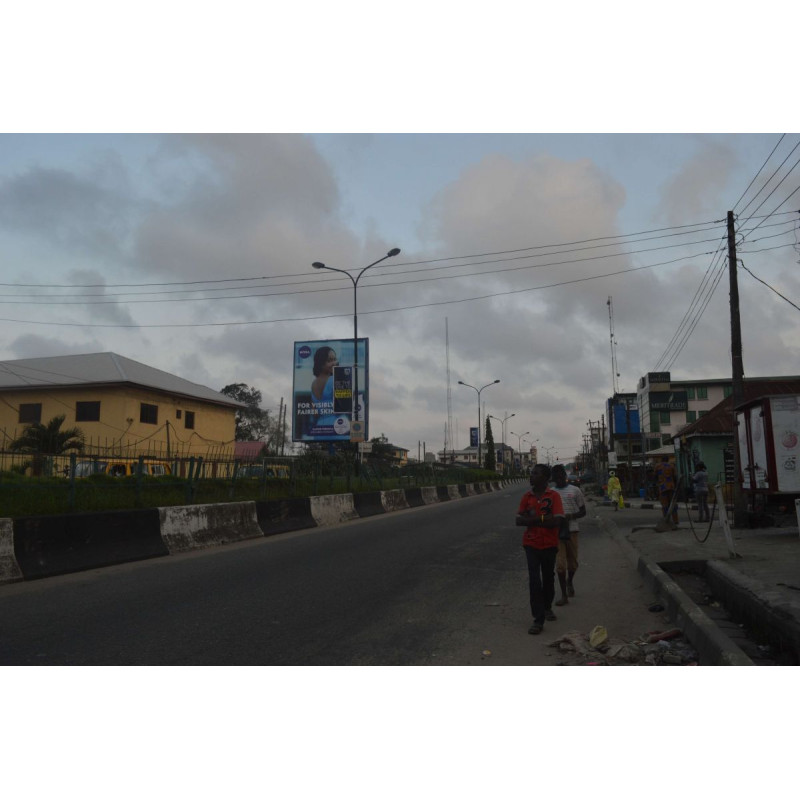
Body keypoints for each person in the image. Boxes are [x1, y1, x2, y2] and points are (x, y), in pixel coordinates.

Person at [515, 463, 565, 635]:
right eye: (531, 473)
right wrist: (543, 519)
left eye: (535, 473)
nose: (531, 476)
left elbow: (557, 521)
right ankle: (538, 619)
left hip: (550, 544)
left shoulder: (554, 496)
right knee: (534, 581)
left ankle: (547, 606)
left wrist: (533, 519)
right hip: (531, 543)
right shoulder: (526, 497)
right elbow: (518, 520)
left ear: (545, 478)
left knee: (548, 578)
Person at [551, 464, 586, 606]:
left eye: (561, 476)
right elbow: (546, 514)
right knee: (560, 565)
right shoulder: (551, 493)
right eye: (556, 476)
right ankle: (564, 594)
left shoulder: (575, 491)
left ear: (565, 476)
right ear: (553, 478)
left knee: (573, 563)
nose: (559, 479)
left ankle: (569, 581)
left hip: (572, 530)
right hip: (557, 533)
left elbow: (583, 511)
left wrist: (571, 515)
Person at [654, 455, 678, 524]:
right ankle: (675, 520)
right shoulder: (671, 466)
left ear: (661, 460)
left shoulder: (657, 466)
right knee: (672, 504)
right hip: (671, 487)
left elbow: (655, 477)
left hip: (662, 488)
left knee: (665, 505)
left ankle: (666, 521)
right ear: (667, 460)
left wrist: (658, 483)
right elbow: (675, 477)